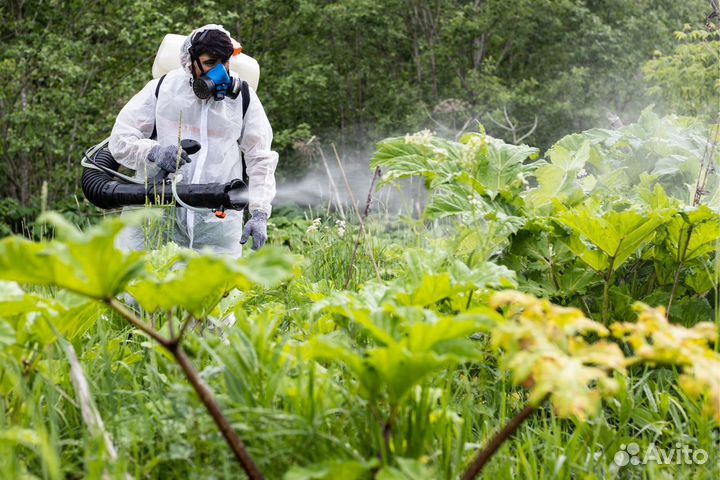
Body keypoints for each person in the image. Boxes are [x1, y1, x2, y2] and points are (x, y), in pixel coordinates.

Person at [109, 24, 277, 257]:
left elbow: (260, 158)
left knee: (216, 290)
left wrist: (259, 212)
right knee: (138, 286)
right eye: (209, 64)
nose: (219, 72)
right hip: (155, 217)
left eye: (225, 63)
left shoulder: (243, 98)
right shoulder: (163, 89)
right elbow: (120, 140)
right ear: (191, 61)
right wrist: (155, 152)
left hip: (216, 224)